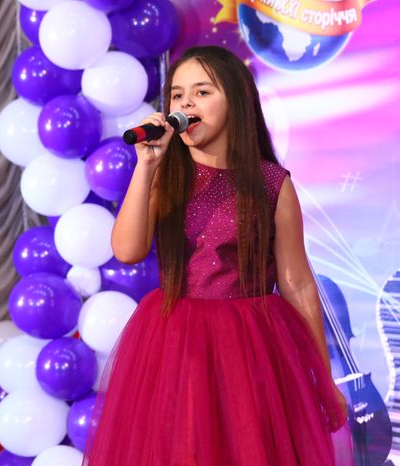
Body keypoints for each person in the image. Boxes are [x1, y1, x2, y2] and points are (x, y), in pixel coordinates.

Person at [82, 45, 353, 466]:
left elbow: (298, 284)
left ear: (236, 101)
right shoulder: (164, 174)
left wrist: (322, 374)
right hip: (179, 345)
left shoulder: (270, 183)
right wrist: (146, 167)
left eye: (203, 92)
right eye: (177, 94)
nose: (187, 104)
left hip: (253, 348)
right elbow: (127, 250)